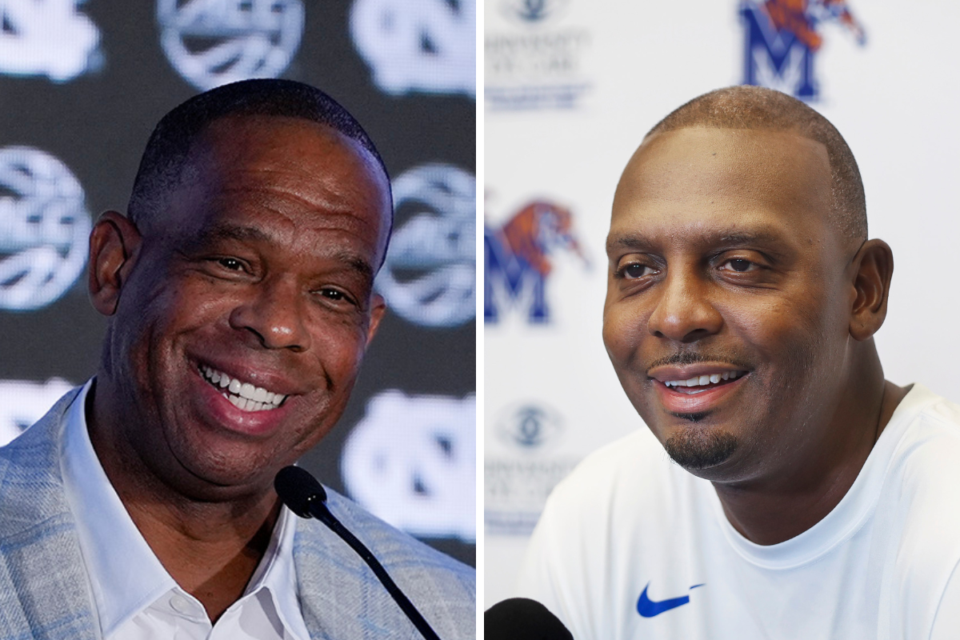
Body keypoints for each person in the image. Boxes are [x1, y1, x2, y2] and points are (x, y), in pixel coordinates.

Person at [0, 79, 475, 639]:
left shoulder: (445, 615)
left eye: (332, 294)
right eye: (231, 262)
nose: (277, 325)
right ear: (114, 266)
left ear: (367, 329)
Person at [515, 86, 960, 639]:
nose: (675, 316)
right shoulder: (597, 516)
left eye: (740, 264)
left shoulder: (947, 526)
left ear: (863, 291)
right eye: (636, 270)